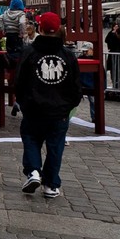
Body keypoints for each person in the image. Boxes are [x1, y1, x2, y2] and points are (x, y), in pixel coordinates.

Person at [14, 11, 82, 199]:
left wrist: (23, 102)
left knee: (30, 138)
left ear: (40, 29)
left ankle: (33, 171)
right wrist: (69, 106)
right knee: (55, 146)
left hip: (34, 109)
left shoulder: (29, 52)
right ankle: (51, 185)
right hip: (59, 111)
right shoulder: (68, 55)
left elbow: (19, 81)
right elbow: (76, 85)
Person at [0, 0, 28, 70]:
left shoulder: (6, 13)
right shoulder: (21, 14)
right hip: (17, 35)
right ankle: (16, 67)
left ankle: (9, 63)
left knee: (10, 50)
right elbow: (22, 23)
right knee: (19, 51)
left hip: (9, 34)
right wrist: (22, 33)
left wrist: (3, 28)